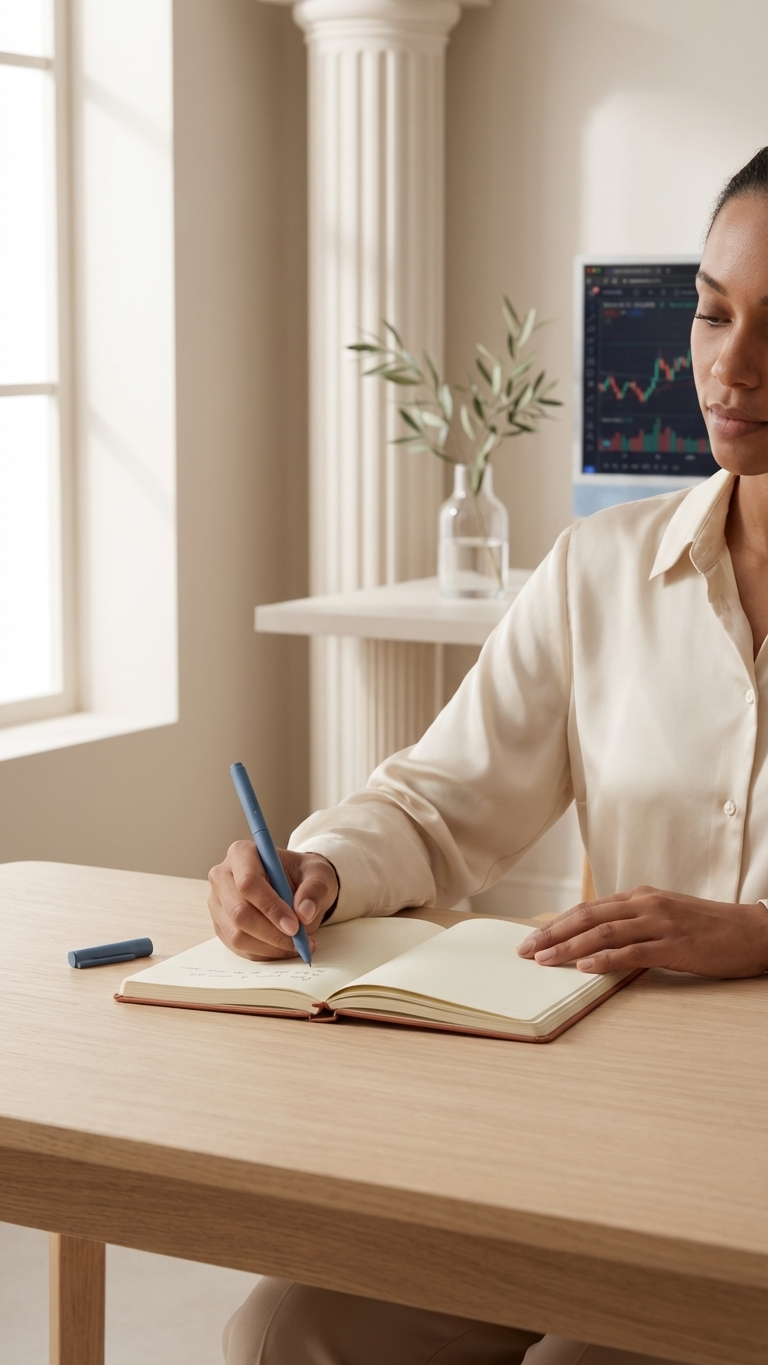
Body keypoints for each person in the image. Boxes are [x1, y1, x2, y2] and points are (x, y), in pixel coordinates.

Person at [209, 149, 768, 1365]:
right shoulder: (605, 568)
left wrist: (760, 935)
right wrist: (317, 866)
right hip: (610, 1139)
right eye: (714, 312)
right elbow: (442, 798)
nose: (731, 366)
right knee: (285, 1327)